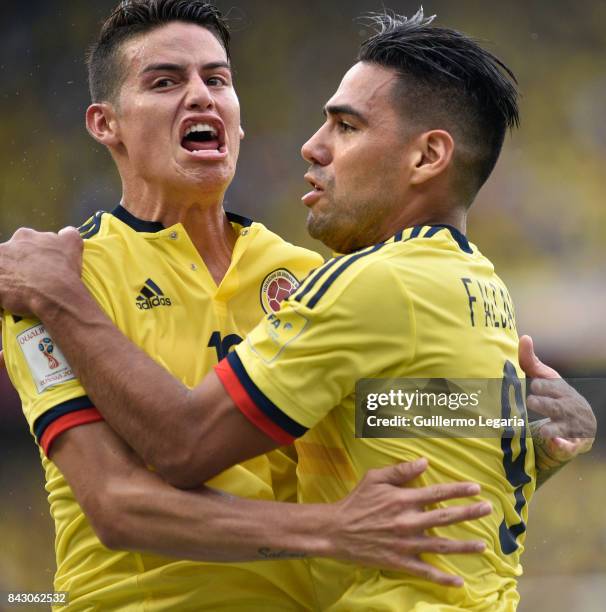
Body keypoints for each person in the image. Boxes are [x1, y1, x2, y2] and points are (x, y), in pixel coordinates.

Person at [0, 7, 595, 612]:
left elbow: (393, 420)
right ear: (106, 123)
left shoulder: (315, 279)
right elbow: (117, 504)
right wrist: (331, 529)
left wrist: (519, 422)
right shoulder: (56, 281)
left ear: (238, 118)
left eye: (219, 80)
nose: (202, 97)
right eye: (165, 82)